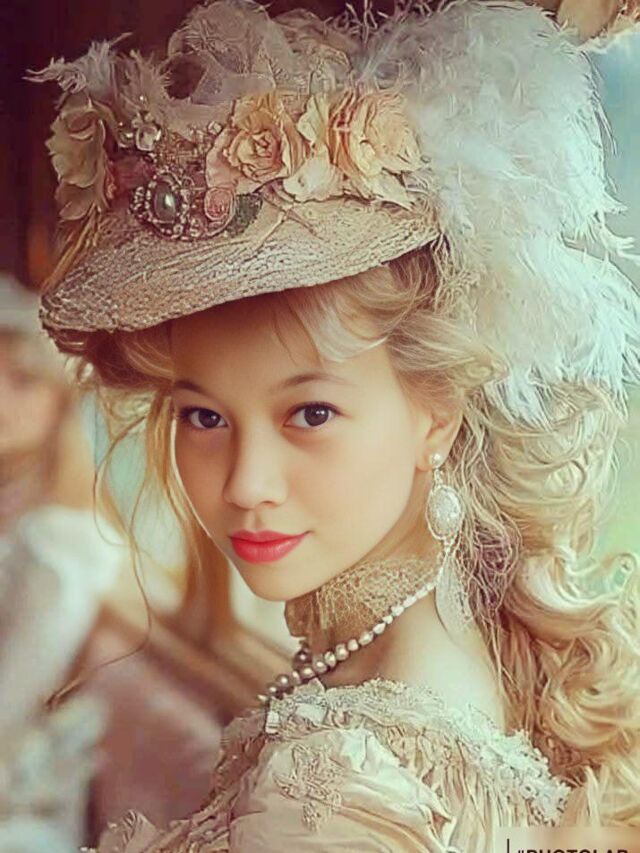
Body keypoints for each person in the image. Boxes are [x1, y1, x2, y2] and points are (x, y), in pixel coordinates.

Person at [29, 0, 640, 849]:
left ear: (437, 411)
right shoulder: (433, 651)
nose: (245, 482)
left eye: (310, 413)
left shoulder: (337, 790)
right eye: (203, 414)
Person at [0, 274, 122, 849]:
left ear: (57, 399)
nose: (0, 399)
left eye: (23, 382)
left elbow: (13, 700)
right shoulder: (14, 502)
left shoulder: (60, 540)